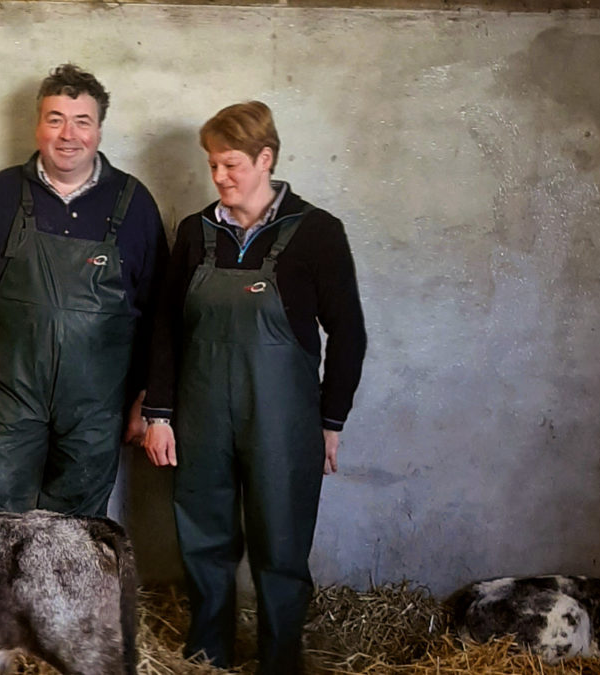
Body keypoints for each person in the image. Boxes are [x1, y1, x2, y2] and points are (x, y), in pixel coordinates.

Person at [141, 101, 366, 674]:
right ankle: (207, 657)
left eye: (231, 164)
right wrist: (160, 413)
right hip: (201, 417)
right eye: (212, 164)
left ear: (266, 159)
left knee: (281, 548)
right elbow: (164, 327)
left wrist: (330, 422)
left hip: (283, 422)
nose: (219, 176)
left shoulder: (316, 232)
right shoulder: (196, 232)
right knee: (204, 541)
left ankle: (279, 661)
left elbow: (350, 335)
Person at [0, 63, 168, 518]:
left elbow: (159, 314)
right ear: (37, 125)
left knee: (77, 533)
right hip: (9, 399)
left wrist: (147, 399)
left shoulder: (134, 202)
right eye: (55, 119)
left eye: (82, 121)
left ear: (99, 131)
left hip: (97, 407)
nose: (68, 134)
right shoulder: (0, 194)